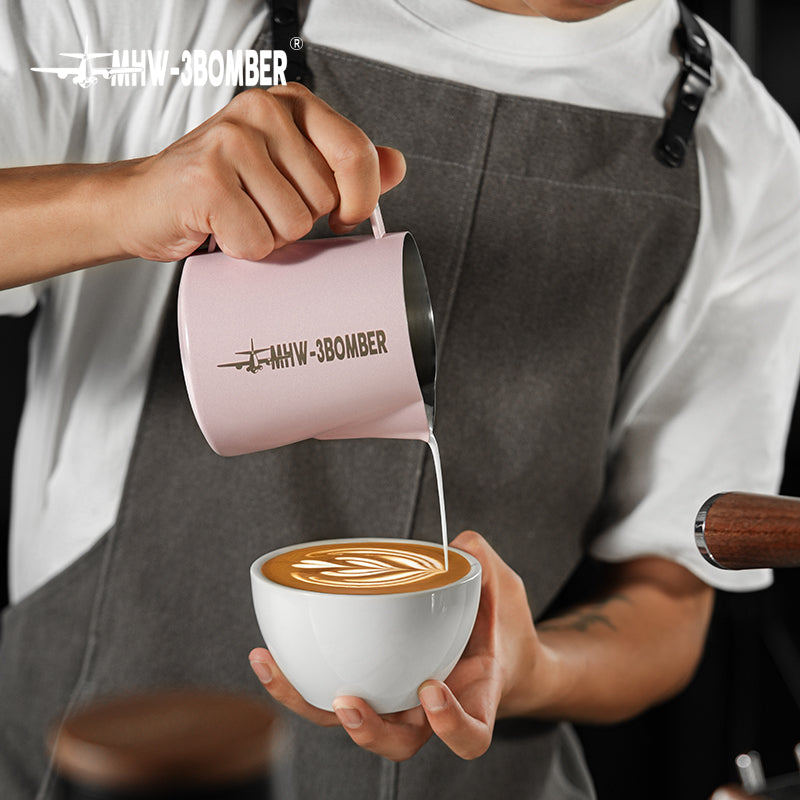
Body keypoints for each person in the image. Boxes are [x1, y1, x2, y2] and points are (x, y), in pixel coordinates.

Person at [1, 0, 799, 797]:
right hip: (108, 753)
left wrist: (531, 668)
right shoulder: (167, 20)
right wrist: (121, 198)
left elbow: (670, 595)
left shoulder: (748, 151)